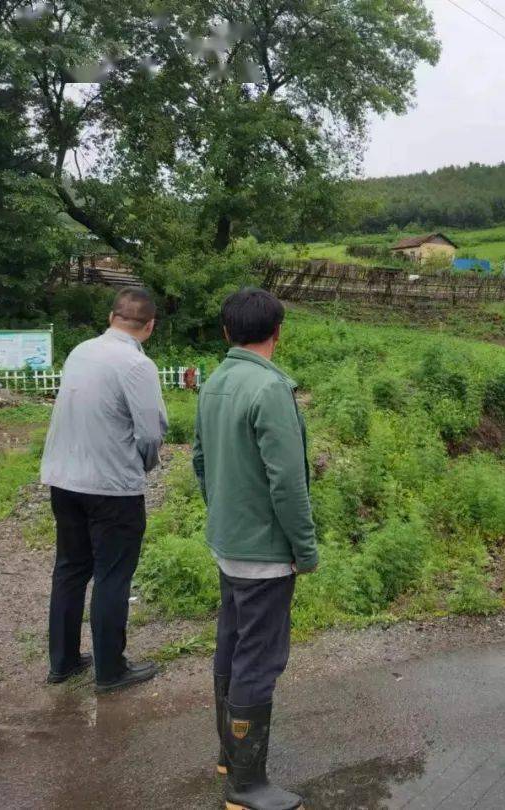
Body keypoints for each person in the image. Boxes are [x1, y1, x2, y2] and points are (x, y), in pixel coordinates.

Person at [193, 288, 317, 810]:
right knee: (259, 658)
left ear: (227, 332)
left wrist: (222, 512)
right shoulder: (269, 389)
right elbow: (287, 483)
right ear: (278, 331)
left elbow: (200, 460)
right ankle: (246, 785)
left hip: (228, 542)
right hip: (265, 552)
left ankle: (231, 754)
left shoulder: (215, 382)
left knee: (233, 642)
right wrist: (304, 549)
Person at [41, 287, 167, 693]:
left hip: (64, 478)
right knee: (113, 576)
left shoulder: (81, 351)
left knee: (71, 570)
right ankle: (111, 670)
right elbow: (150, 432)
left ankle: (63, 662)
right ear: (149, 326)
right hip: (111, 486)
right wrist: (143, 466)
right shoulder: (136, 364)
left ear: (112, 317)